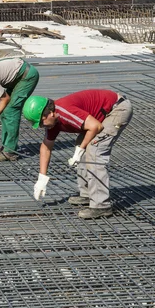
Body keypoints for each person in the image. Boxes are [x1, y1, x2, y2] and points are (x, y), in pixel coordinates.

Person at [22, 90, 133, 219]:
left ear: (51, 113)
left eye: (41, 122)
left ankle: (101, 206)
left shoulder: (64, 112)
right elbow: (46, 147)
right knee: (82, 144)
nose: (41, 126)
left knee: (94, 150)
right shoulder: (53, 122)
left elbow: (95, 126)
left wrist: (79, 150)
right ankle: (87, 194)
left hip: (117, 109)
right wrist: (42, 178)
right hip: (100, 115)